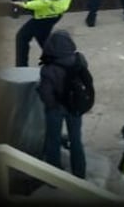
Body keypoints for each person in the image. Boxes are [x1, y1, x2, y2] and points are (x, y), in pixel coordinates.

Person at [37, 30, 87, 179]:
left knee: (54, 140)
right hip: (75, 106)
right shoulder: (80, 59)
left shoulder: (47, 69)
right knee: (76, 139)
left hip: (56, 109)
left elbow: (46, 93)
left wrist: (51, 105)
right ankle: (79, 173)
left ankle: (54, 176)